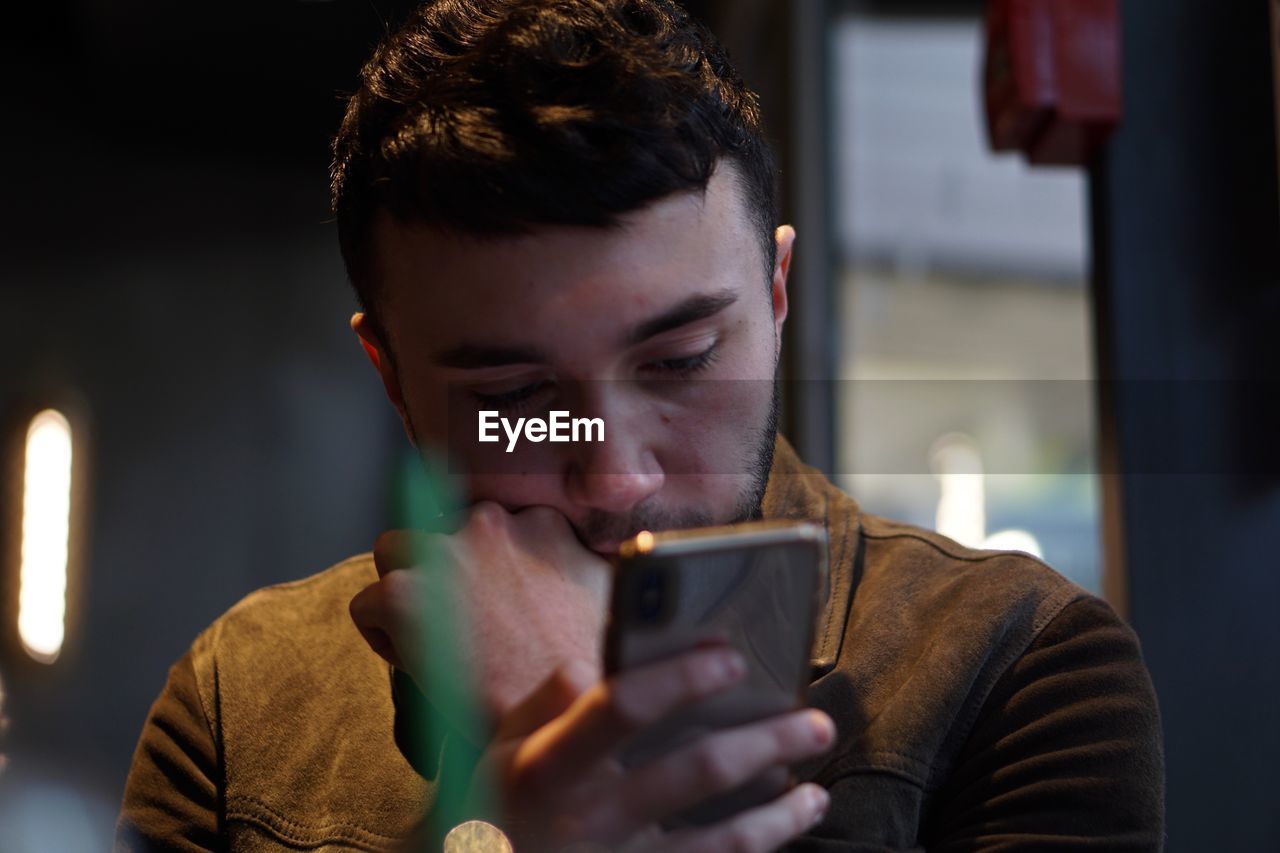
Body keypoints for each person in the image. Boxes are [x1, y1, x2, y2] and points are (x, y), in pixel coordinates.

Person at [115, 1, 1165, 850]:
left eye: (679, 363)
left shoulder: (1009, 665)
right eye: (515, 397)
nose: (613, 474)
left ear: (777, 293)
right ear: (391, 379)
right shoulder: (242, 696)